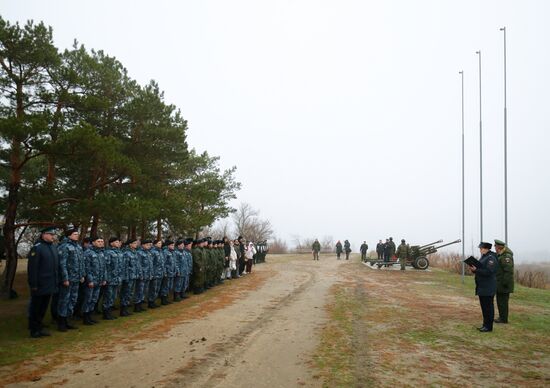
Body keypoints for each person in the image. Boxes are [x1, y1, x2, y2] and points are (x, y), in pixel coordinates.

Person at [27, 226, 59, 338]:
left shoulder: (53, 247)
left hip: (50, 283)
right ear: (44, 235)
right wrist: (33, 284)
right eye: (51, 234)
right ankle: (34, 330)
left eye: (53, 235)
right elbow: (32, 268)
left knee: (43, 307)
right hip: (40, 284)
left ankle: (39, 327)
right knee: (36, 308)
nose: (53, 236)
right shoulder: (37, 248)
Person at [56, 227, 84, 331]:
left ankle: (68, 320)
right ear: (69, 235)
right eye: (75, 234)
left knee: (73, 300)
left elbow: (81, 263)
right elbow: (62, 264)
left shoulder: (78, 247)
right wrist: (65, 278)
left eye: (77, 234)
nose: (77, 235)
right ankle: (61, 322)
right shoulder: (64, 247)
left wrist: (82, 275)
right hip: (68, 279)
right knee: (64, 300)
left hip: (76, 278)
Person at [468, 242, 498, 332]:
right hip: (482, 286)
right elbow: (480, 269)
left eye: (481, 248)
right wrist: (474, 270)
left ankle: (489, 327)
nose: (480, 250)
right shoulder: (484, 257)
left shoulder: (491, 258)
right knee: (484, 307)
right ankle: (485, 325)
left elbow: (489, 272)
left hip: (488, 287)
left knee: (488, 307)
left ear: (486, 249)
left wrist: (476, 270)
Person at [82, 236, 106, 325]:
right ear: (93, 243)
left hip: (99, 280)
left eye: (101, 241)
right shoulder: (88, 253)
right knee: (88, 299)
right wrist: (90, 280)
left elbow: (104, 268)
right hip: (91, 281)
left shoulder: (101, 253)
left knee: (94, 299)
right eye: (98, 241)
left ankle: (90, 316)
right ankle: (85, 317)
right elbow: (87, 268)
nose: (101, 243)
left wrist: (104, 279)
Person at [494, 239, 514, 324]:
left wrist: (505, 283)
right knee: (500, 301)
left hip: (504, 284)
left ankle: (503, 319)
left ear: (498, 247)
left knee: (503, 302)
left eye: (495, 246)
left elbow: (508, 271)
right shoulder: (501, 255)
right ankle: (501, 317)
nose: (494, 247)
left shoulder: (506, 257)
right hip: (500, 283)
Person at [102, 237, 122, 320]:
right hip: (110, 278)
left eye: (118, 242)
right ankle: (106, 313)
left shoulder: (119, 252)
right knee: (108, 296)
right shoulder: (108, 253)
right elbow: (106, 267)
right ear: (111, 243)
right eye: (116, 242)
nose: (118, 243)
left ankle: (109, 312)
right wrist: (106, 278)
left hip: (117, 278)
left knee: (113, 296)